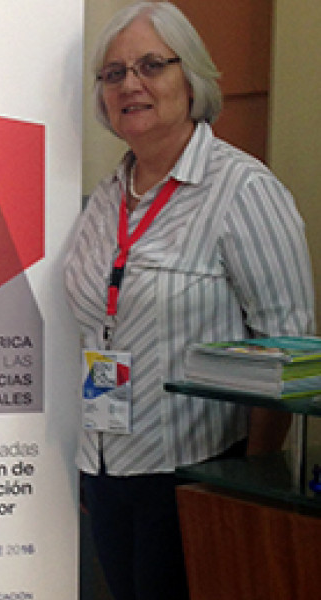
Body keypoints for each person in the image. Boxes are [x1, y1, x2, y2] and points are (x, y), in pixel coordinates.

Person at [64, 3, 313, 599]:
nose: (131, 84)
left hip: (196, 472)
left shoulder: (244, 190)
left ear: (192, 78)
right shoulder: (105, 198)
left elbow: (289, 352)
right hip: (106, 465)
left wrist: (242, 483)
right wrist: (93, 461)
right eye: (114, 73)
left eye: (151, 65)